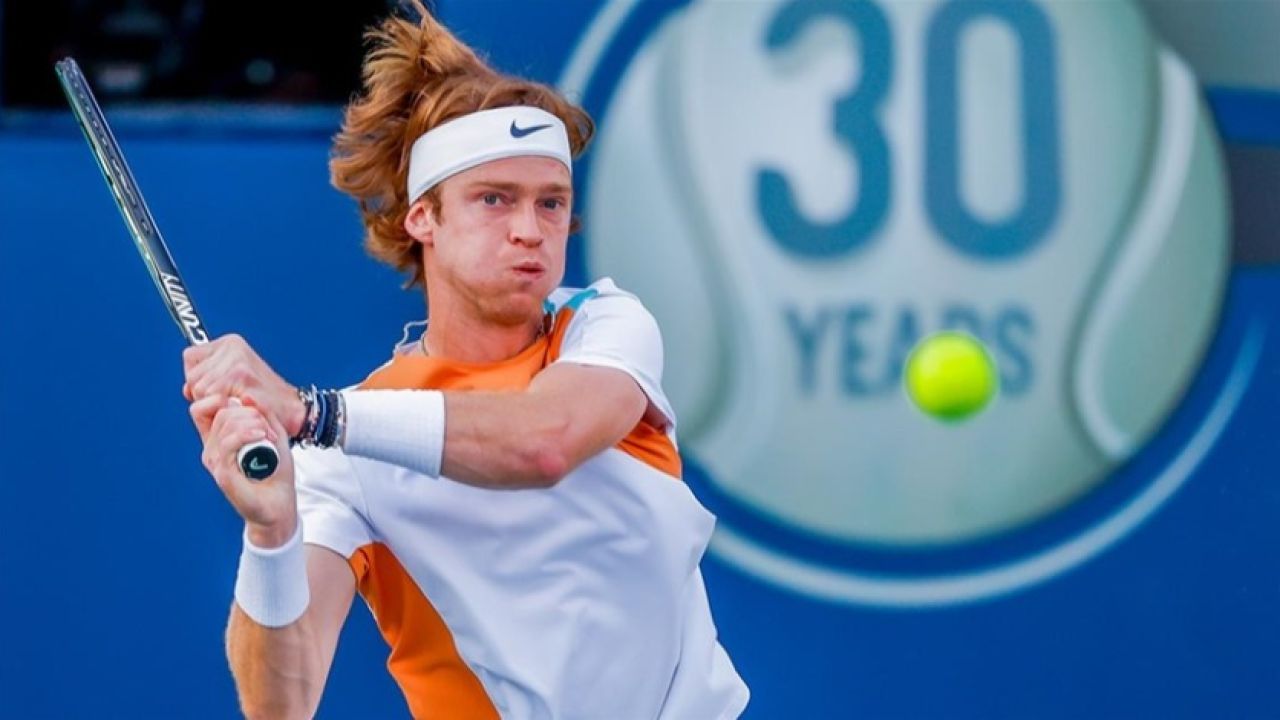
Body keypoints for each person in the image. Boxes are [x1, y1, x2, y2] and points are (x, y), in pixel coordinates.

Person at [181, 4, 749, 718]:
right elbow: (281, 707)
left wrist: (313, 415)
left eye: (551, 203)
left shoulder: (604, 326)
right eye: (494, 199)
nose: (529, 231)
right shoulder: (342, 459)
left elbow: (545, 443)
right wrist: (269, 535)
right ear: (423, 217)